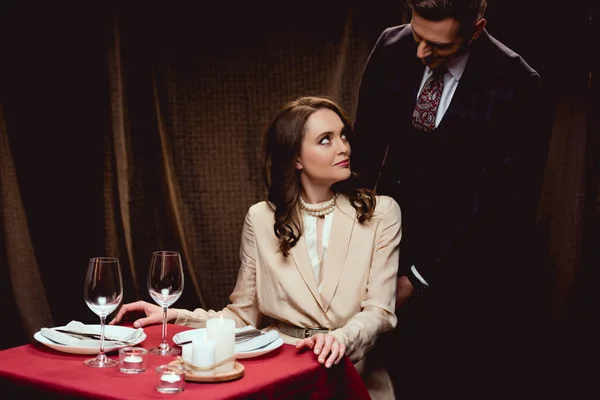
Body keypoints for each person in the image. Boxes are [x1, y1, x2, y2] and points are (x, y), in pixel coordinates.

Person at [111, 96, 402, 399]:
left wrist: (342, 338)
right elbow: (242, 316)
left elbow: (380, 311)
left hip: (352, 372)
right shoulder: (261, 218)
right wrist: (173, 315)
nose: (343, 147)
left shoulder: (381, 213)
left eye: (343, 135)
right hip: (280, 373)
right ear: (296, 158)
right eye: (325, 140)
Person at [351, 0, 553, 397]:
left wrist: (421, 277)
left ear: (476, 30)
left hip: (471, 278)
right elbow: (364, 156)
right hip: (390, 254)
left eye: (439, 46)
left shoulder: (518, 84)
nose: (421, 52)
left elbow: (503, 206)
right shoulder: (391, 47)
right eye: (417, 35)